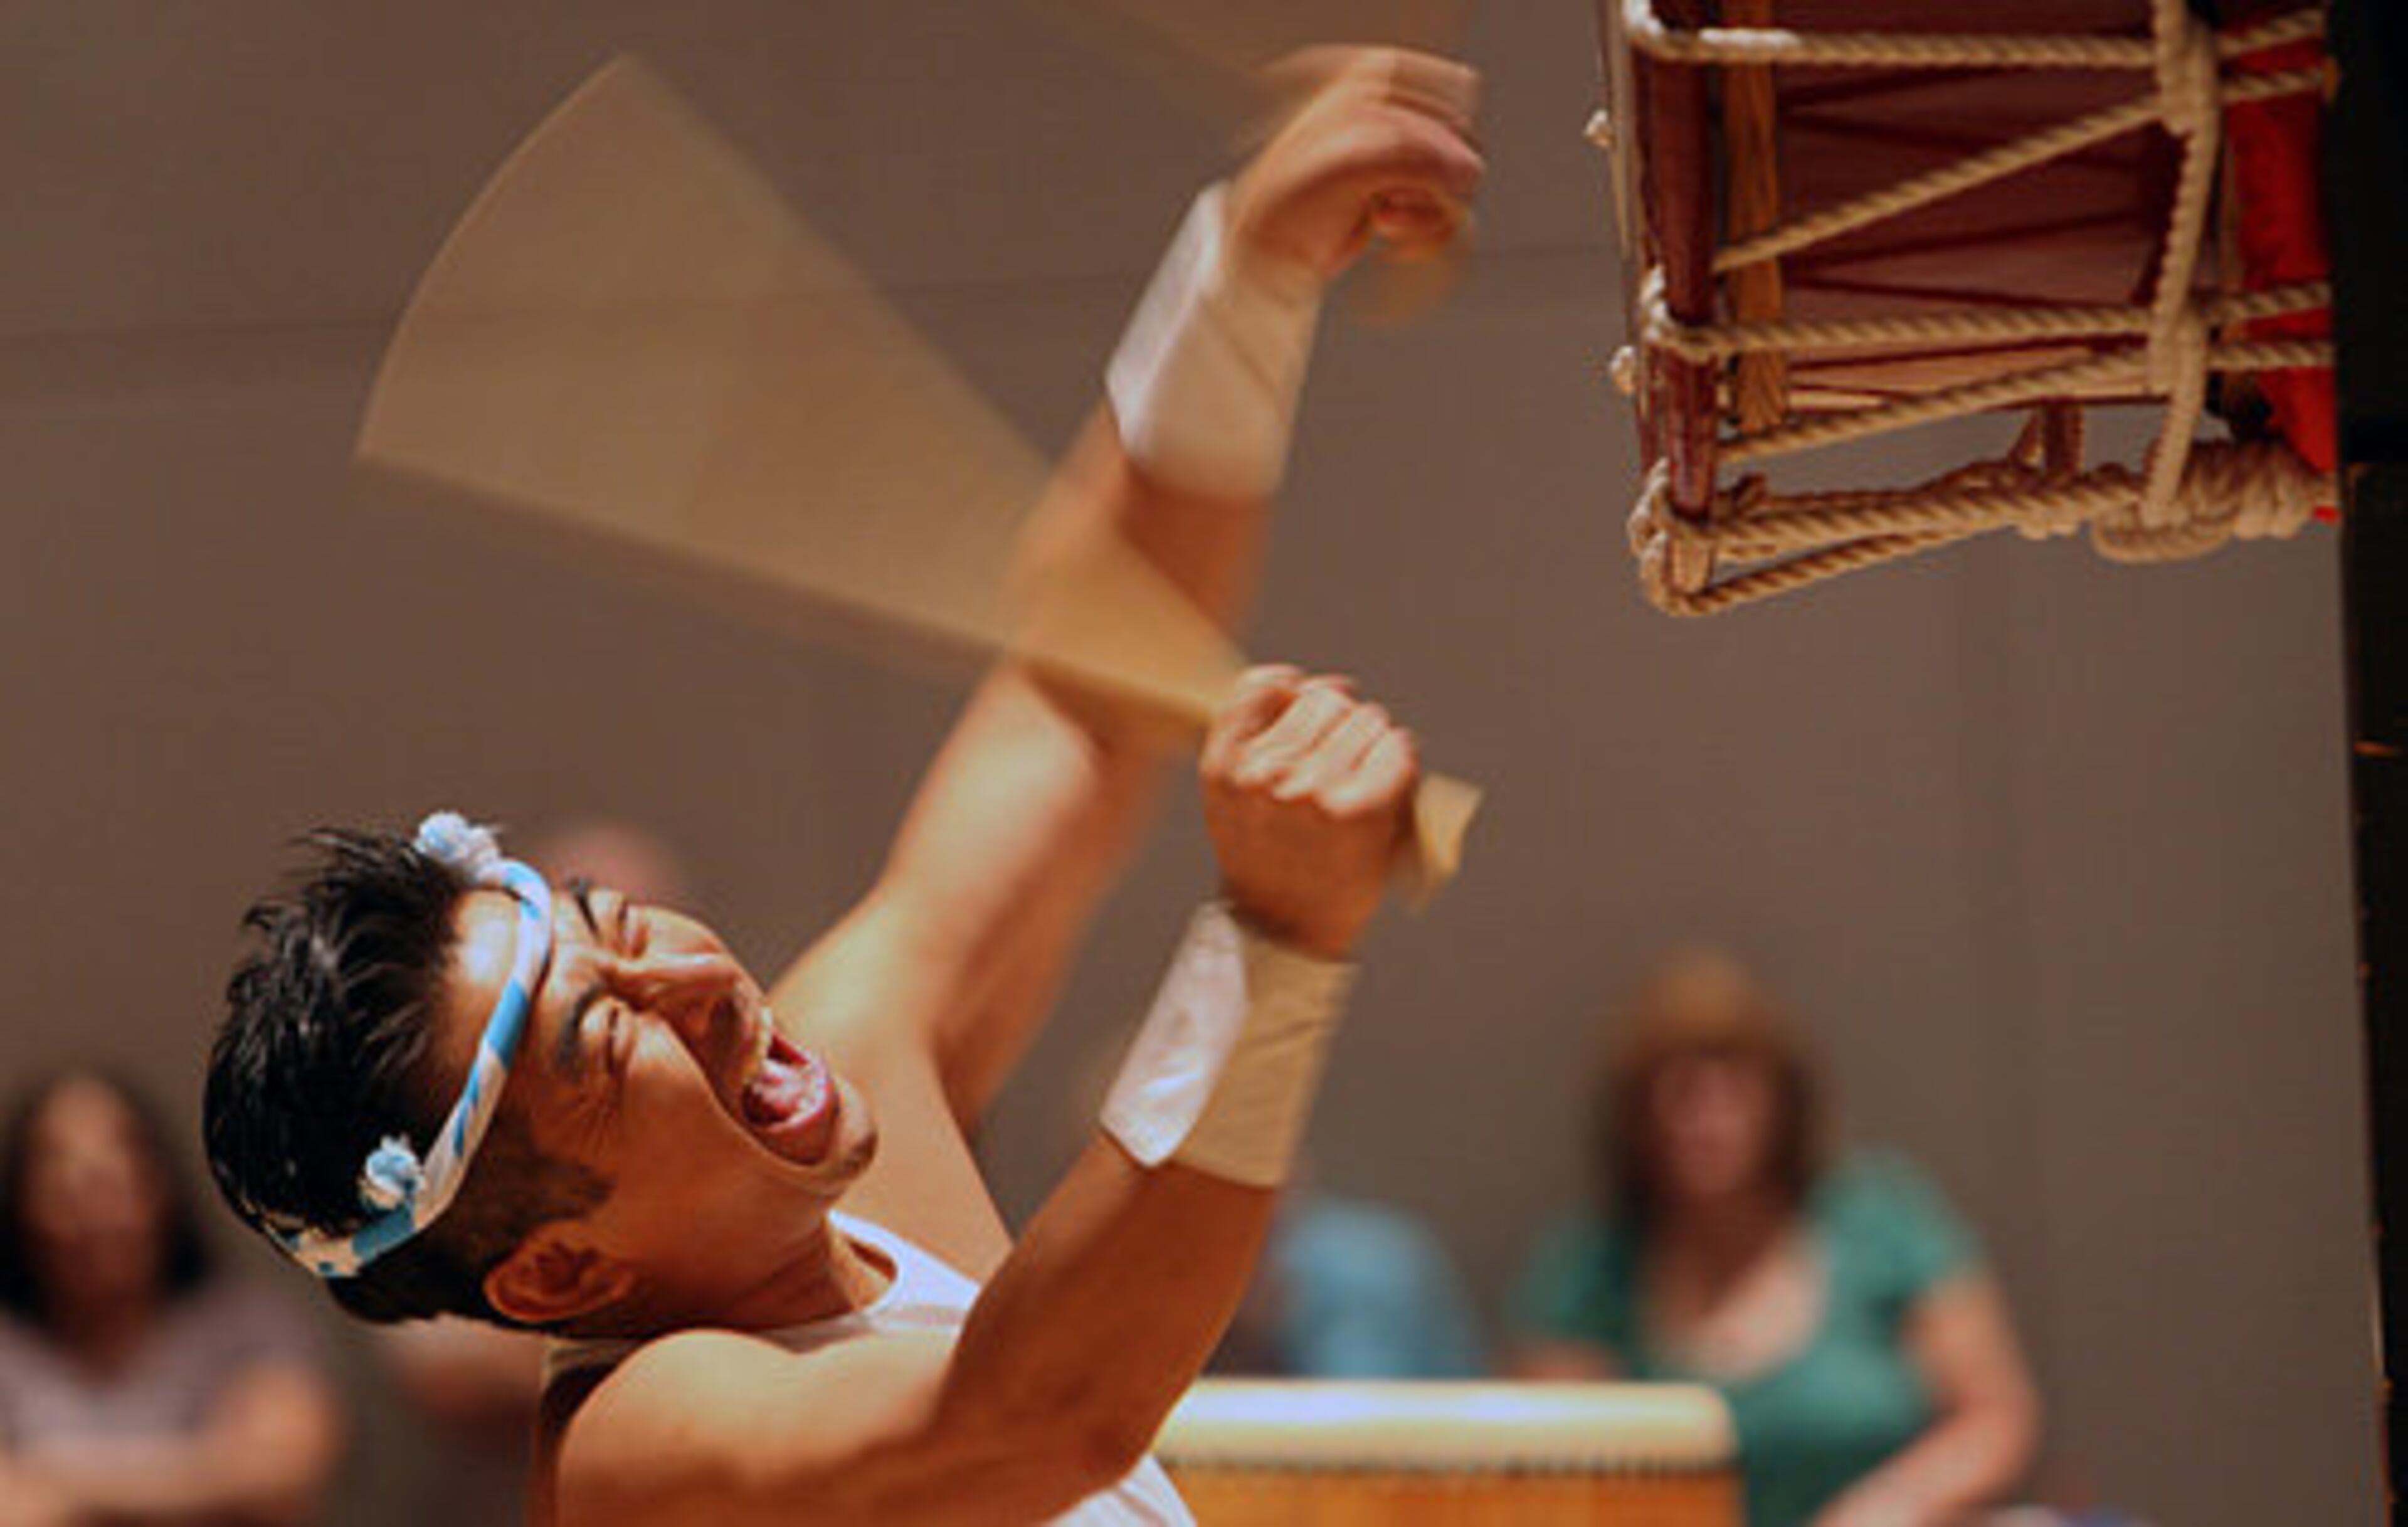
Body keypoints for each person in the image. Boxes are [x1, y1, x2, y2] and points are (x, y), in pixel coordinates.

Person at [203, 47, 1482, 1527]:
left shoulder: (837, 1088)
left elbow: (1077, 699)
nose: (690, 973)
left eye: (619, 918)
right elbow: (1038, 1412)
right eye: (611, 1039)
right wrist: (1270, 949)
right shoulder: (642, 1440)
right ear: (558, 1270)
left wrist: (1243, 273)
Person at [1510, 949, 2041, 1527]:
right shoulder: (1590, 1272)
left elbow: (1996, 1415)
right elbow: (1546, 1472)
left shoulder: (1882, 1224)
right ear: (1635, 1119)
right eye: (1677, 1095)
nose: (1704, 1120)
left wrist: (1896, 1502)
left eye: (1729, 1090)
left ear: (1783, 1099)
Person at [0, 1070, 342, 1526]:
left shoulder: (246, 1324)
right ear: (22, 1206)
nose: (97, 1215)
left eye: (115, 1182)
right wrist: (206, 1474)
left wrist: (60, 1484)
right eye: (69, 1190)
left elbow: (285, 1470)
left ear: (160, 1190)